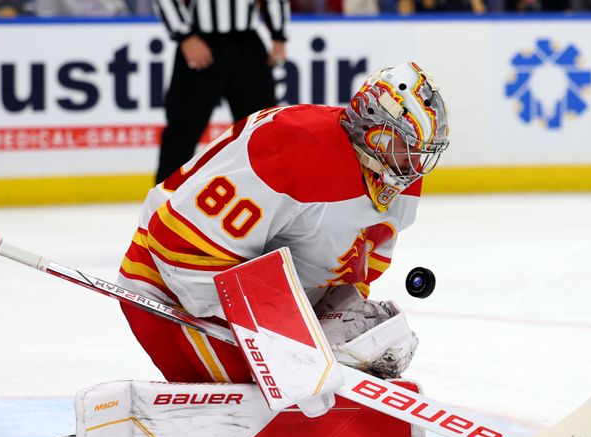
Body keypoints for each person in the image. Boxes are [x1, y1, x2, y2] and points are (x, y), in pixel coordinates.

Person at [117, 61, 449, 385]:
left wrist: (333, 321)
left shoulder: (399, 176)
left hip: (265, 292)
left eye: (421, 151)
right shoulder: (294, 146)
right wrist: (280, 340)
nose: (414, 163)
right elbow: (177, 245)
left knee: (362, 350)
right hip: (168, 283)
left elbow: (357, 268)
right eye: (404, 144)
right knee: (286, 394)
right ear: (371, 127)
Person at [152, 0, 289, 184]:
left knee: (262, 130)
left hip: (247, 44)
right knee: (182, 130)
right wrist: (185, 36)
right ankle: (163, 202)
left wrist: (278, 35)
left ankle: (269, 198)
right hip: (200, 40)